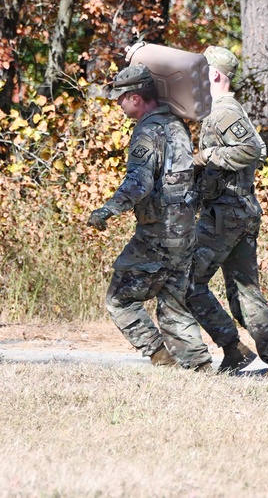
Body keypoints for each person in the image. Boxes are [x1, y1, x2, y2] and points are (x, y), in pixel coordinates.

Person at [88, 64, 214, 371]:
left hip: (157, 231)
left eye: (120, 98)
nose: (118, 104)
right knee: (173, 305)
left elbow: (140, 182)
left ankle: (161, 359)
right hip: (184, 229)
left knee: (119, 299)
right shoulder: (178, 126)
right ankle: (200, 368)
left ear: (135, 97)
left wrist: (109, 209)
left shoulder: (148, 131)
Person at [186, 46, 268, 381]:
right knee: (244, 292)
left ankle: (233, 348)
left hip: (226, 213)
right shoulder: (223, 111)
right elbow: (258, 146)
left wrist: (206, 157)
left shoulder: (224, 111)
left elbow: (250, 151)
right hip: (237, 210)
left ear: (215, 75)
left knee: (186, 281)